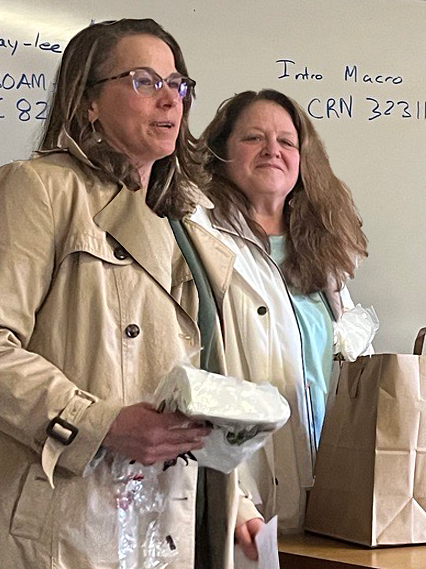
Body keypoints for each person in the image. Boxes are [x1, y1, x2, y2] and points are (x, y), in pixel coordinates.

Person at [0, 19, 258, 569]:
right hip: (72, 517)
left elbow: (203, 371)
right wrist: (100, 425)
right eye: (144, 81)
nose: (170, 98)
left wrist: (238, 500)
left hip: (171, 516)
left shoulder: (187, 218)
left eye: (177, 83)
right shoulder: (41, 188)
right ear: (89, 101)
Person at [185, 89, 368, 531]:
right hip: (241, 482)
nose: (273, 150)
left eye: (287, 141)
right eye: (253, 138)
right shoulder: (197, 237)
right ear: (221, 153)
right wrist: (234, 495)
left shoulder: (325, 250)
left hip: (328, 479)